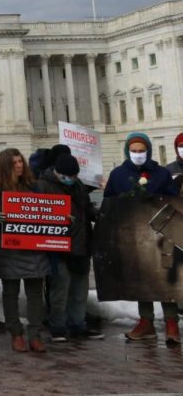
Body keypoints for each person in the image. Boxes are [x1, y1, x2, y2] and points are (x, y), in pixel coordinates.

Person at [104, 131, 179, 343]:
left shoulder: (161, 173)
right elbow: (109, 203)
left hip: (161, 233)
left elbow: (173, 200)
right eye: (134, 151)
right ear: (128, 151)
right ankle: (146, 321)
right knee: (140, 277)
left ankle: (171, 322)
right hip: (133, 235)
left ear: (148, 150)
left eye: (141, 151)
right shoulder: (118, 174)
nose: (138, 154)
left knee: (165, 279)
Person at [0, 148, 49, 353]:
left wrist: (61, 219)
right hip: (7, 246)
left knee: (36, 293)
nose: (19, 165)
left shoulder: (34, 185)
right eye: (14, 163)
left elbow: (47, 210)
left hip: (33, 246)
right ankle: (16, 333)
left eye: (21, 161)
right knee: (10, 292)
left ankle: (35, 334)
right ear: (5, 166)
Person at [39, 153, 102, 340]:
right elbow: (39, 213)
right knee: (60, 289)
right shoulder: (43, 186)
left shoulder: (79, 185)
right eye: (69, 176)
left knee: (79, 290)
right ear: (58, 172)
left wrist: (99, 214)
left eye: (75, 176)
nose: (72, 179)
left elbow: (86, 208)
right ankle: (58, 326)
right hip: (57, 246)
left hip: (81, 243)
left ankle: (78, 324)